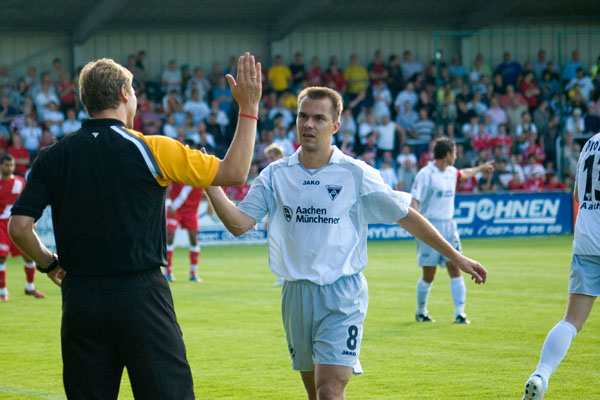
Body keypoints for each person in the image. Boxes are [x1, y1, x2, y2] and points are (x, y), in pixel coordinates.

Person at [202, 86, 487, 400]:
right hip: (296, 294)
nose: (309, 124)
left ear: (335, 126)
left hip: (342, 294)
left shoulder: (356, 173)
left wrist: (457, 257)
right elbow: (239, 224)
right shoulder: (275, 175)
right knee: (314, 393)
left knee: (329, 391)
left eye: (319, 118)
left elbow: (406, 216)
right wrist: (211, 184)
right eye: (303, 116)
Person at [8, 53, 261, 399]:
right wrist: (249, 108)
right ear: (125, 93)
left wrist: (49, 264)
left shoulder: (52, 157)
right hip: (141, 294)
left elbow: (19, 227)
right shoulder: (152, 148)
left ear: (86, 101)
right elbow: (234, 172)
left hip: (80, 296)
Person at [522, 131, 600, 400]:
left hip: (587, 239)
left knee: (572, 321)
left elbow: (577, 194)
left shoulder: (590, 143)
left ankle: (540, 375)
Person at [410, 137, 494, 324]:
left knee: (456, 268)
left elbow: (464, 173)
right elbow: (414, 200)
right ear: (447, 154)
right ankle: (421, 311)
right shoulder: (426, 174)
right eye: (454, 152)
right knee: (429, 274)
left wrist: (480, 169)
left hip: (449, 226)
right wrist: (417, 225)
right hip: (430, 226)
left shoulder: (450, 172)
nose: (456, 155)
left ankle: (460, 314)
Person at [0, 155, 45, 301]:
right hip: (1, 224)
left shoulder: (20, 182)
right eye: (7, 165)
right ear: (1, 166)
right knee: (1, 256)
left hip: (17, 222)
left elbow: (28, 203)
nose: (10, 168)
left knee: (28, 255)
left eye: (12, 165)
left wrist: (31, 220)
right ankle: (2, 291)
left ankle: (30, 287)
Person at [165, 180, 204, 282]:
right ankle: (168, 272)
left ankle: (193, 273)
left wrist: (210, 204)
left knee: (194, 239)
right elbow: (166, 184)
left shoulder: (201, 173)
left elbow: (209, 187)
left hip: (191, 211)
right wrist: (168, 203)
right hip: (175, 208)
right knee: (169, 236)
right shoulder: (179, 171)